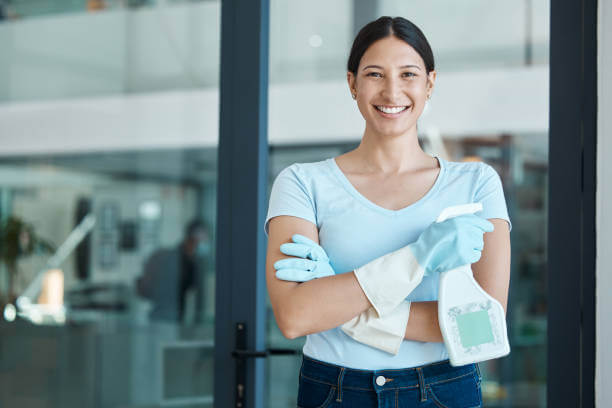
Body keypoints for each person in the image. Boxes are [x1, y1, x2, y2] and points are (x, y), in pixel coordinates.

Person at [265, 16, 511, 407]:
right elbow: (295, 317)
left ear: (430, 82)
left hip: (444, 390)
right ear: (352, 84)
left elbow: (481, 325)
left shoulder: (476, 182)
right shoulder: (302, 183)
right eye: (375, 74)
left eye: (409, 74)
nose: (392, 91)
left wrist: (341, 306)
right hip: (334, 390)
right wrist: (419, 255)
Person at [137, 219, 211, 323]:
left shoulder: (192, 260)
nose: (206, 241)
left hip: (176, 318)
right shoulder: (172, 259)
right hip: (165, 319)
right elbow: (149, 290)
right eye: (204, 238)